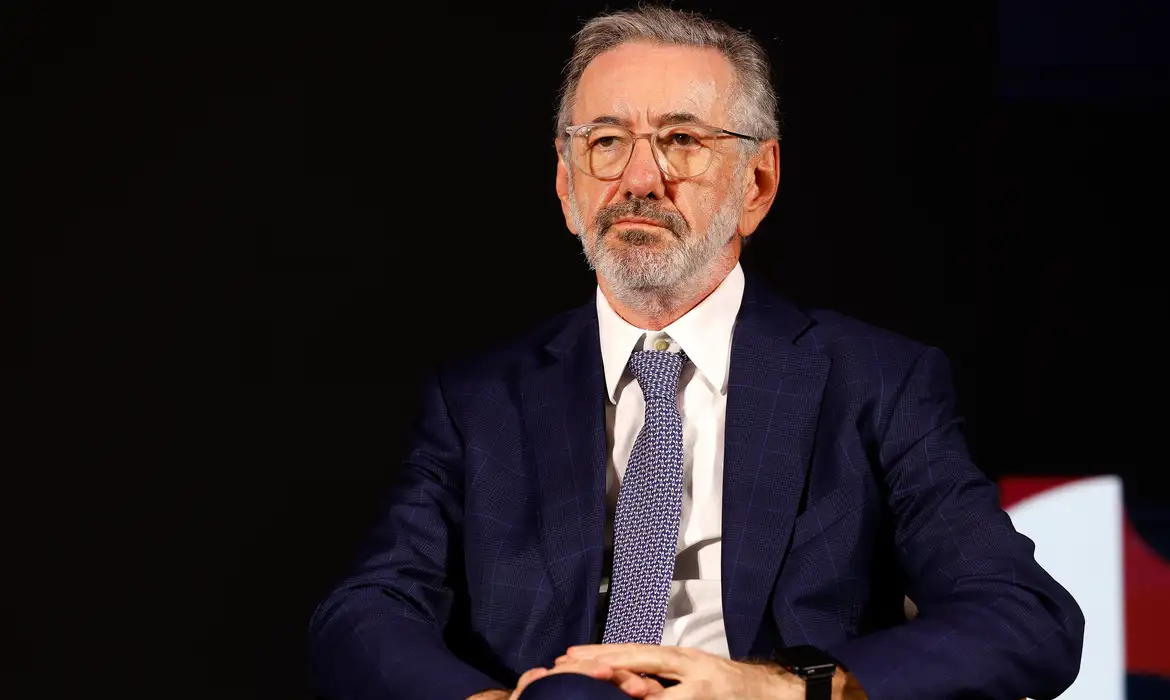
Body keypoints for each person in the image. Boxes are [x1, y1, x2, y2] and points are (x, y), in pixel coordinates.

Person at [308, 6, 1084, 700]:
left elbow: (1024, 618)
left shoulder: (875, 382)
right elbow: (365, 612)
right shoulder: (480, 398)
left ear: (758, 182)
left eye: (681, 140)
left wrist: (778, 691)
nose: (639, 179)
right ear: (567, 185)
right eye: (606, 142)